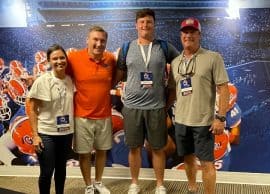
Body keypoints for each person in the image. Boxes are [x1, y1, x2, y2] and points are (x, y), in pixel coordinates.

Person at [115, 8, 179, 194]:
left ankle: (160, 185)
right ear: (136, 25)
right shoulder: (127, 48)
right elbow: (118, 75)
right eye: (141, 22)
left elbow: (180, 63)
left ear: (154, 24)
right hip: (132, 107)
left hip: (156, 107)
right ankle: (134, 183)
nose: (145, 25)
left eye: (149, 22)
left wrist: (172, 91)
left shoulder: (164, 47)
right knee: (134, 148)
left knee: (158, 148)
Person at [170, 18, 230, 194]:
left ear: (199, 35)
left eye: (192, 32)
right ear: (181, 36)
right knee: (188, 159)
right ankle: (192, 188)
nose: (188, 35)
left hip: (204, 122)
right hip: (181, 121)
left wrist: (220, 117)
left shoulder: (213, 57)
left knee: (207, 163)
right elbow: (173, 92)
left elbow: (223, 88)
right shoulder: (175, 63)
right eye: (185, 32)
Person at [67, 25, 115, 194]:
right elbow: (59, 75)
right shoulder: (74, 58)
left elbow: (114, 81)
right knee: (84, 154)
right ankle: (88, 185)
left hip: (104, 115)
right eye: (95, 39)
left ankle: (98, 182)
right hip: (82, 115)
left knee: (102, 151)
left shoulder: (110, 59)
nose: (99, 43)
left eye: (102, 40)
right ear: (87, 40)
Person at [28, 44, 74, 194]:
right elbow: (32, 108)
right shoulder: (43, 80)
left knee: (61, 170)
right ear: (48, 61)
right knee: (47, 172)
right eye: (55, 59)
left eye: (62, 57)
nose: (59, 61)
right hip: (46, 133)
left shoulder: (70, 80)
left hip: (66, 133)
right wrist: (35, 135)